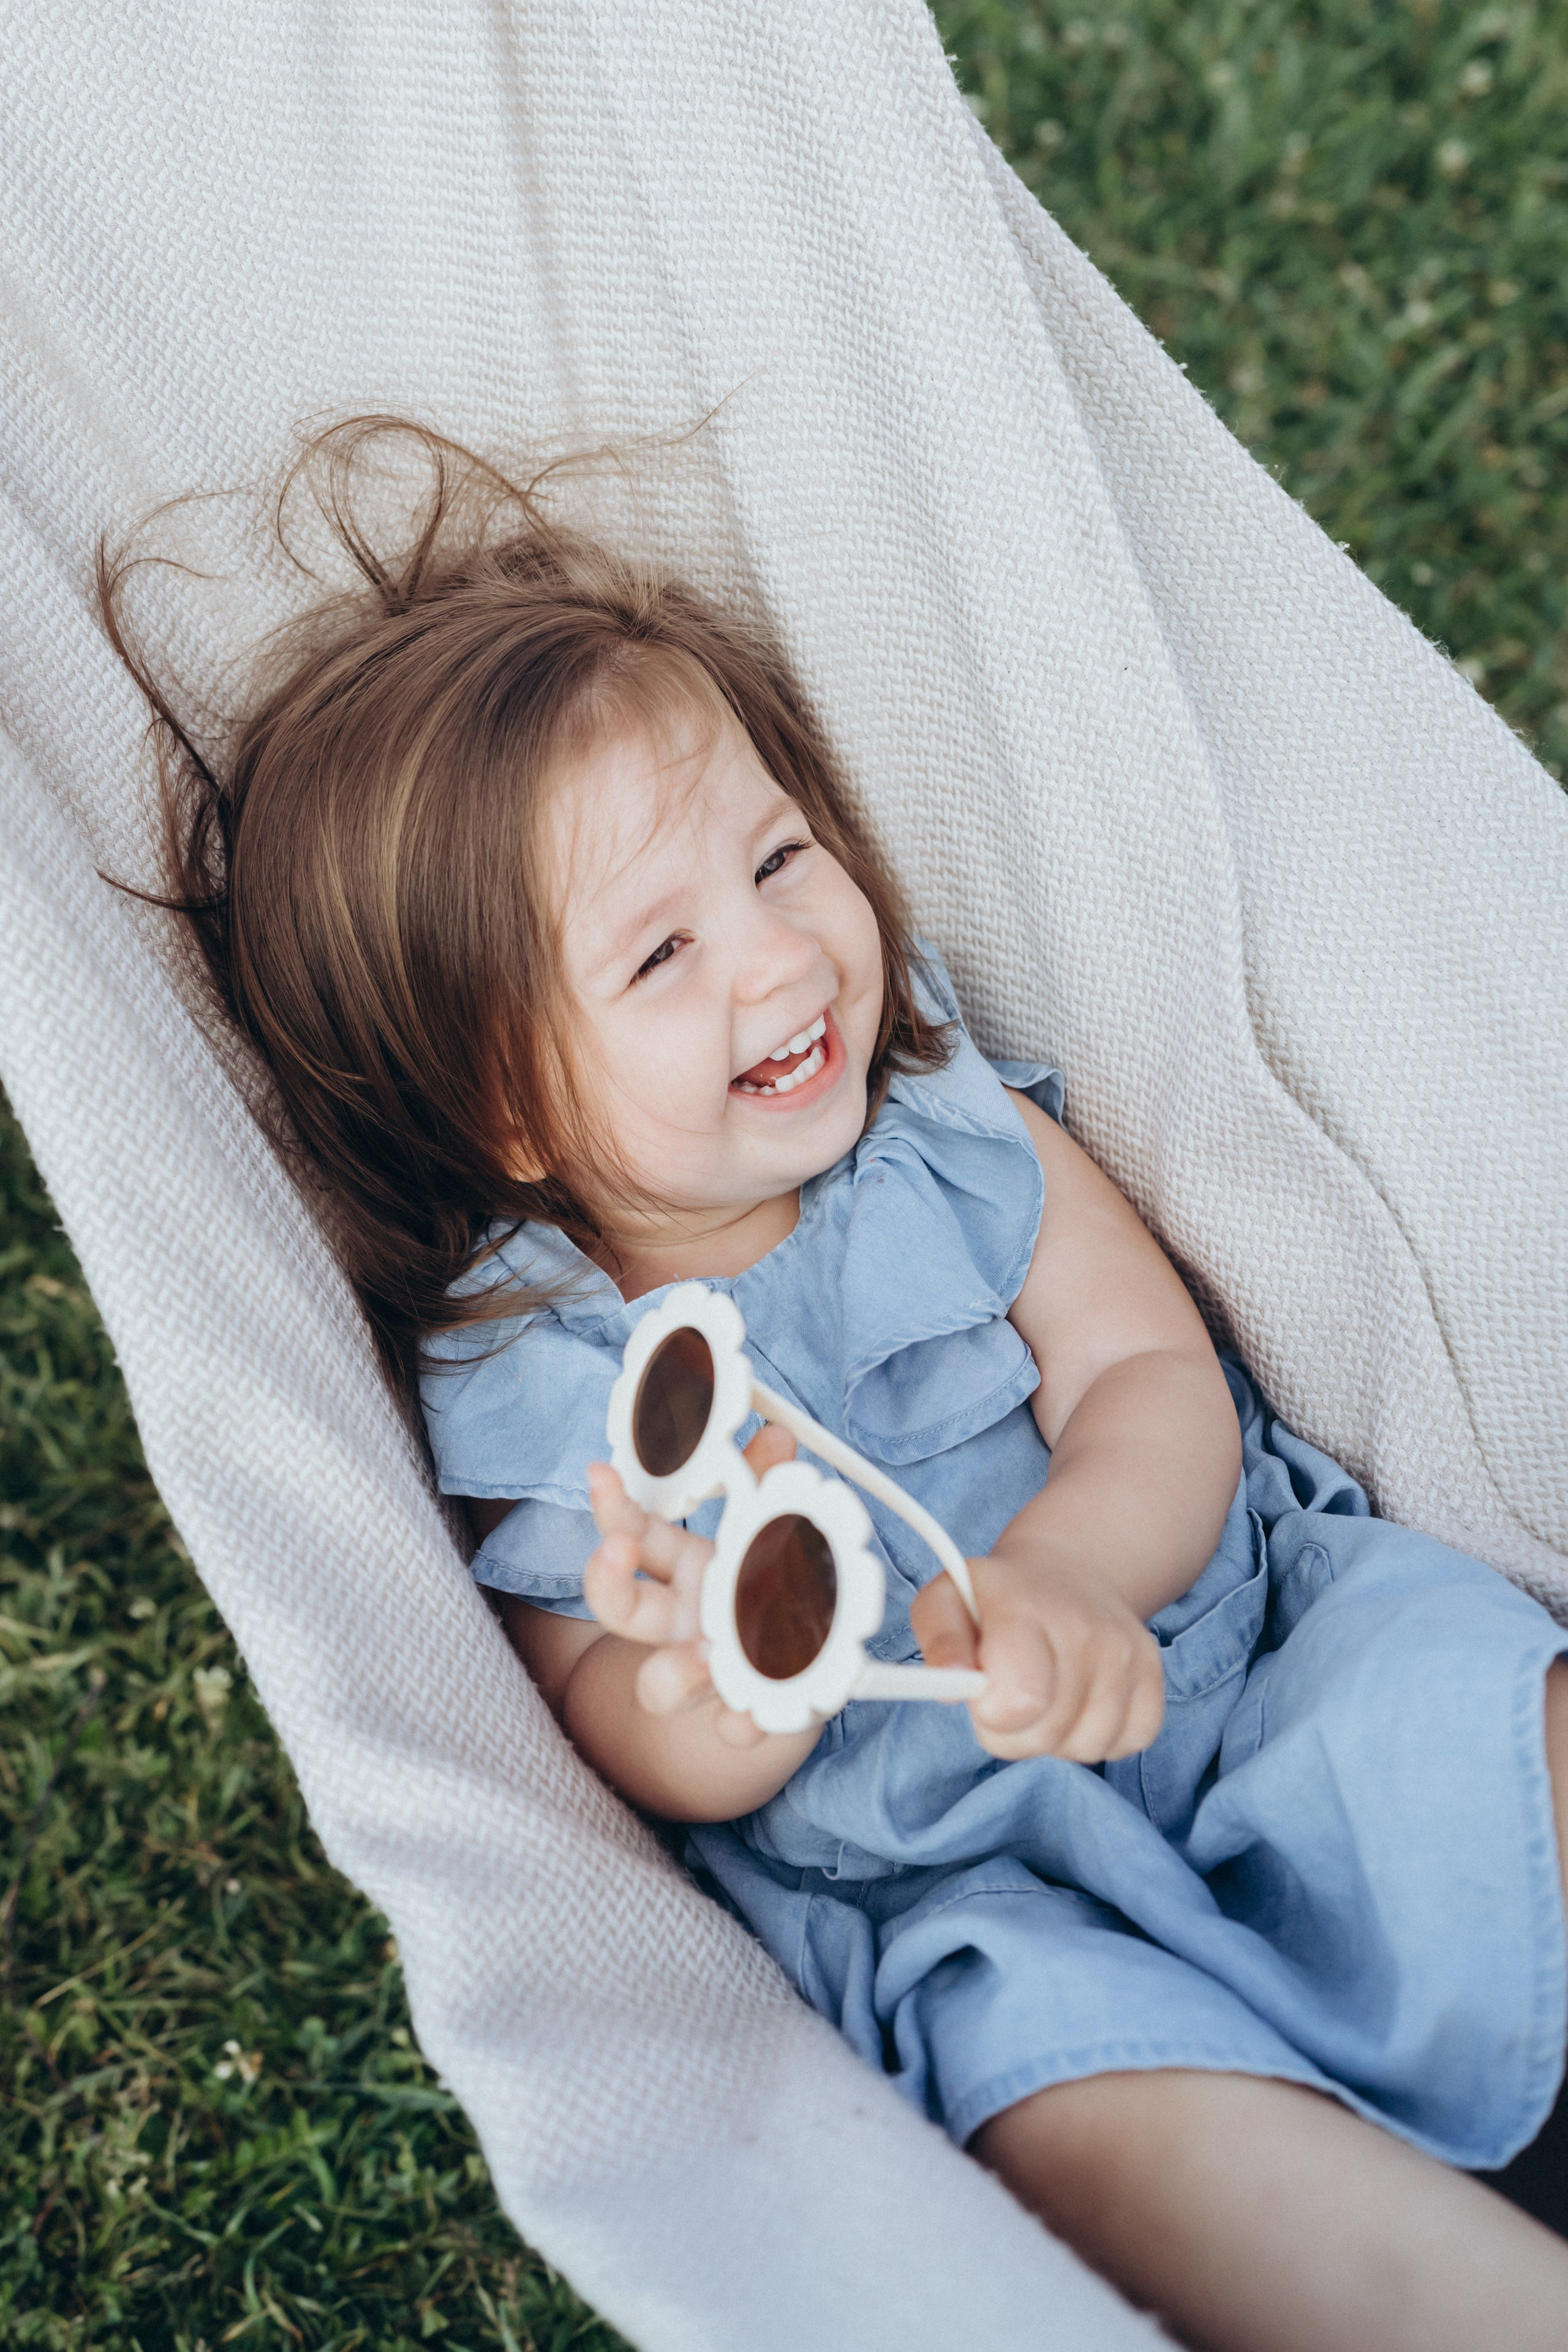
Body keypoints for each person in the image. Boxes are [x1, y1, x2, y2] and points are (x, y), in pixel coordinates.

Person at [105, 420, 1568, 2352]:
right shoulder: (542, 1385)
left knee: (1495, 1714)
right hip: (963, 1892)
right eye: (664, 950)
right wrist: (719, 1684)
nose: (783, 952)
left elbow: (1149, 1368)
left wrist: (1070, 1571)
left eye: (781, 854)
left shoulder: (942, 1132)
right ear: (509, 1105)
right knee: (1091, 2130)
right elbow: (616, 1718)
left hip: (1246, 1663)